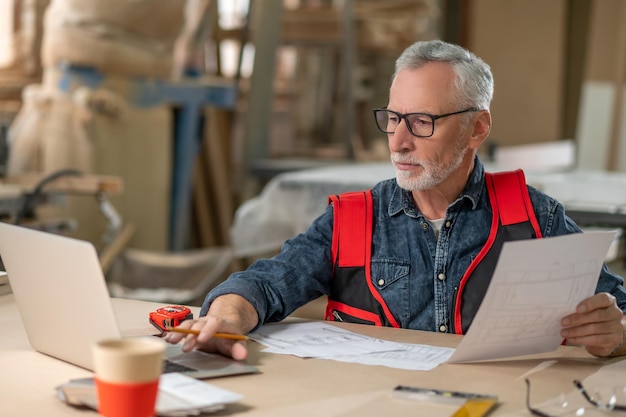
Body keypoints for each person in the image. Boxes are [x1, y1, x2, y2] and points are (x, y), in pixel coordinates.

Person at [165, 39, 626, 360]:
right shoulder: (351, 221)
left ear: (477, 129)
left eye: (422, 121)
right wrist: (225, 316)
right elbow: (266, 284)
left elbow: (618, 306)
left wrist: (617, 333)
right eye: (393, 118)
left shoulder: (533, 218)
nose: (398, 142)